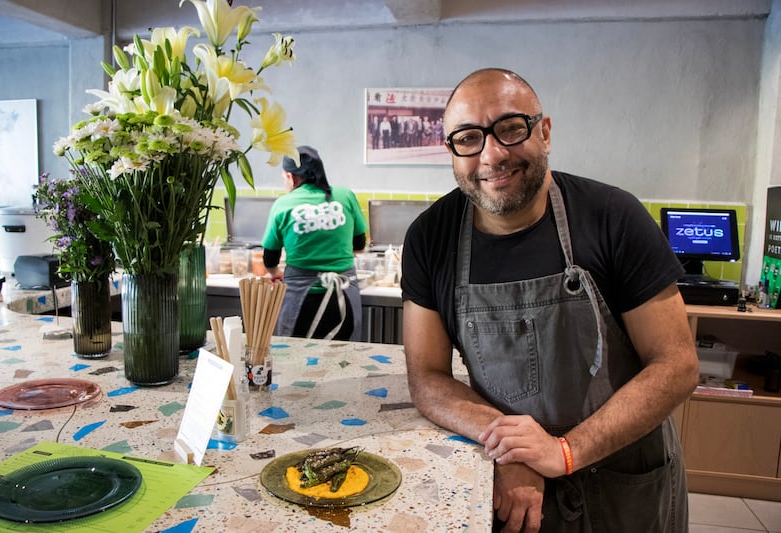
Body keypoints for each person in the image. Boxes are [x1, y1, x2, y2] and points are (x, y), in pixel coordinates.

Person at [400, 68, 699, 533]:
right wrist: (511, 448)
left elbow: (676, 365)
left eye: (511, 128)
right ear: (451, 150)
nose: (492, 154)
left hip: (622, 480)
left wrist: (562, 452)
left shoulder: (614, 217)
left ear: (545, 131)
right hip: (513, 489)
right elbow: (427, 377)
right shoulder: (429, 238)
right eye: (468, 138)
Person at [262, 145, 368, 341]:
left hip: (301, 301)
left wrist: (275, 273)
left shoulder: (283, 204)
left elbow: (270, 256)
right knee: (344, 359)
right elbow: (360, 242)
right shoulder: (345, 195)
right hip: (342, 296)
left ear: (291, 178)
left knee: (297, 358)